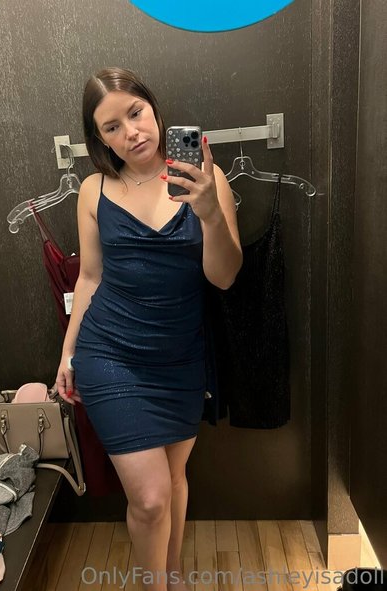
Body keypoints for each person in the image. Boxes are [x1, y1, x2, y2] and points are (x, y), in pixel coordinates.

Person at [55, 67, 242, 591]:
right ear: (99, 139)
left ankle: (171, 572)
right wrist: (68, 353)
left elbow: (224, 277)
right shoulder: (94, 190)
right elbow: (89, 277)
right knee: (151, 496)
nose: (131, 133)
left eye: (135, 113)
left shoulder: (206, 180)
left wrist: (210, 213)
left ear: (153, 107)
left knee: (175, 480)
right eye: (111, 127)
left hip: (180, 356)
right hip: (110, 354)